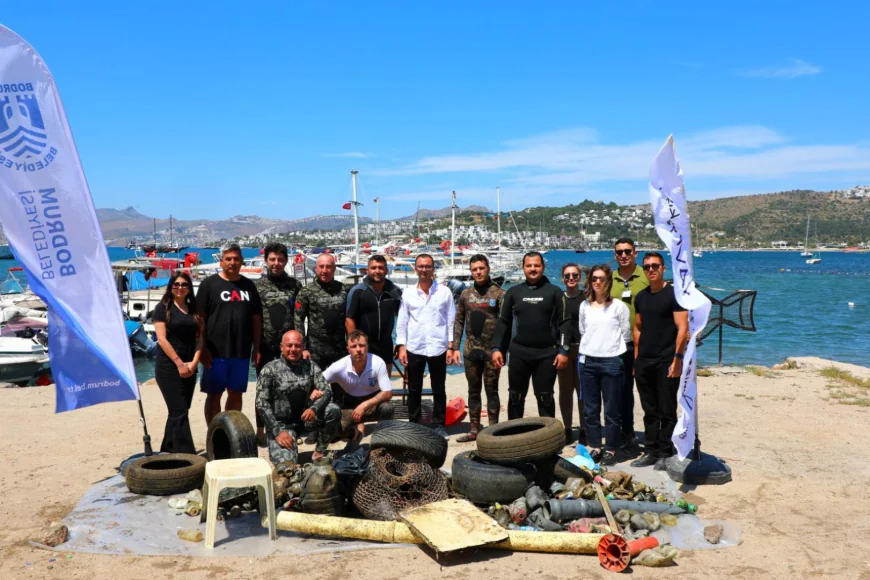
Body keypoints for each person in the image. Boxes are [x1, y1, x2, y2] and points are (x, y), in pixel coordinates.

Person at [492, 251, 571, 420]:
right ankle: (514, 437)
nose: (533, 269)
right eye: (529, 265)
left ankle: (548, 438)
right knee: (515, 396)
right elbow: (503, 322)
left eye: (537, 265)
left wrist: (564, 351)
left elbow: (565, 323)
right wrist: (497, 348)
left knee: (545, 396)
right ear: (523, 268)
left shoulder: (555, 292)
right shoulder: (513, 293)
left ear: (543, 267)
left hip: (547, 354)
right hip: (519, 353)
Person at [630, 252, 689, 470]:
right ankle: (651, 451)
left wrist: (677, 358)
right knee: (649, 409)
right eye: (647, 267)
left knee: (667, 409)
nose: (651, 269)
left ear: (663, 268)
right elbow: (638, 328)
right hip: (644, 361)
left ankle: (666, 452)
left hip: (666, 359)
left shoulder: (674, 294)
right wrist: (636, 359)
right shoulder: (641, 297)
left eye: (655, 265)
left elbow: (683, 328)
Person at [198, 243, 263, 426]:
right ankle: (214, 432)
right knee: (214, 395)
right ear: (221, 262)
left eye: (236, 259)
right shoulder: (208, 285)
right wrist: (201, 348)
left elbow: (256, 318)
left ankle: (230, 432)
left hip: (241, 351)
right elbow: (199, 319)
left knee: (236, 393)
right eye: (228, 259)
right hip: (214, 352)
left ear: (241, 262)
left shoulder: (249, 285)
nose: (232, 262)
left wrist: (256, 347)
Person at [255, 330, 341, 464]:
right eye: (289, 345)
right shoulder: (269, 369)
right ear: (281, 347)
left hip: (307, 419)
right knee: (288, 465)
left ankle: (319, 452)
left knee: (333, 410)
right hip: (283, 425)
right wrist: (277, 432)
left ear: (303, 347)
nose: (293, 349)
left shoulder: (311, 367)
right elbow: (261, 403)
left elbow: (327, 391)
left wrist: (314, 409)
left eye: (297, 346)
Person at [396, 253, 457, 439]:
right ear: (416, 268)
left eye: (427, 266)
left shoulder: (444, 292)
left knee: (439, 388)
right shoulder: (407, 293)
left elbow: (450, 320)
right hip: (415, 347)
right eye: (421, 266)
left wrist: (451, 347)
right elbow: (402, 321)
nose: (424, 270)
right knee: (414, 388)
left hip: (438, 346)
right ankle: (414, 425)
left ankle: (438, 425)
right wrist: (401, 346)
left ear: (433, 269)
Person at [578, 264, 631, 467]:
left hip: (611, 361)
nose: (597, 282)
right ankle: (595, 446)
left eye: (601, 278)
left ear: (608, 281)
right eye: (594, 278)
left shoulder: (618, 307)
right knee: (590, 409)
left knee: (611, 409)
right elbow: (583, 330)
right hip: (588, 361)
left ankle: (610, 448)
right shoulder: (584, 306)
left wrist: (610, 349)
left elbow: (625, 334)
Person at [452, 254, 505, 442]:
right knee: (473, 390)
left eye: (481, 268)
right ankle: (474, 429)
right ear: (471, 271)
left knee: (492, 391)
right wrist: (455, 347)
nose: (478, 272)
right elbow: (458, 321)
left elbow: (505, 324)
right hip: (470, 351)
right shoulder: (466, 294)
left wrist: (503, 349)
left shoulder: (499, 294)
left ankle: (493, 430)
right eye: (474, 269)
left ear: (488, 268)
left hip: (491, 352)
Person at [253, 242, 302, 444]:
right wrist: (255, 347)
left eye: (280, 259)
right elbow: (253, 319)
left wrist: (301, 345)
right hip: (264, 345)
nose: (276, 263)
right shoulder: (257, 287)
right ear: (266, 261)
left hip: (289, 348)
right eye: (272, 259)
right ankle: (261, 430)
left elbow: (299, 316)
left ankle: (290, 429)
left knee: (289, 388)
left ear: (285, 261)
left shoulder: (295, 285)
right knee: (263, 389)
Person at [152, 271, 203, 454]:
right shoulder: (162, 308)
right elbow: (162, 340)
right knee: (179, 409)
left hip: (190, 366)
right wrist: (179, 364)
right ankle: (187, 455)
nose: (180, 288)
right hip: (168, 367)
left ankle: (168, 450)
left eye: (184, 285)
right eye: (176, 284)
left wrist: (194, 363)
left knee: (179, 411)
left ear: (189, 288)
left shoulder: (195, 310)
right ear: (171, 287)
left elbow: (200, 339)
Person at [611, 237, 649, 448]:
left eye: (627, 251)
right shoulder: (610, 279)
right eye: (619, 252)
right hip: (618, 344)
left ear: (635, 253)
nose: (623, 255)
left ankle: (655, 436)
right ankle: (627, 433)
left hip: (646, 343)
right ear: (615, 255)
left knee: (647, 391)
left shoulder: (646, 275)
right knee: (621, 391)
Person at [323, 330, 394, 443]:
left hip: (372, 404)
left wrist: (364, 406)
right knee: (333, 435)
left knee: (387, 408)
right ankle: (355, 429)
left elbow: (388, 393)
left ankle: (383, 439)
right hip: (350, 406)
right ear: (348, 349)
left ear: (367, 347)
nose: (358, 350)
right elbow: (318, 382)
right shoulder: (338, 367)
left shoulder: (378, 362)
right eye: (354, 346)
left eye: (362, 345)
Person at [345, 254, 403, 376]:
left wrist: (401, 343)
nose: (377, 271)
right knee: (363, 386)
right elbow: (349, 320)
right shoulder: (358, 291)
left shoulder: (394, 291)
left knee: (384, 386)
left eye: (381, 268)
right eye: (374, 268)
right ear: (368, 270)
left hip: (386, 345)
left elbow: (403, 319)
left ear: (386, 270)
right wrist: (355, 345)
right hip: (363, 347)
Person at [294, 253, 347, 371]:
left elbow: (349, 318)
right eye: (321, 266)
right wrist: (303, 348)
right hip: (315, 352)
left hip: (339, 350)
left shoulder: (343, 290)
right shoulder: (306, 291)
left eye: (328, 267)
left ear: (334, 269)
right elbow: (298, 320)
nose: (325, 270)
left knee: (340, 388)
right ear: (316, 268)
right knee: (316, 388)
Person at [556, 263, 584, 443]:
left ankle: (584, 428)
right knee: (565, 390)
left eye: (574, 275)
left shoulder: (586, 297)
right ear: (563, 279)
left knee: (583, 391)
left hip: (584, 348)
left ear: (579, 277)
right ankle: (567, 427)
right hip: (564, 349)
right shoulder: (559, 298)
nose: (571, 278)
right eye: (567, 276)